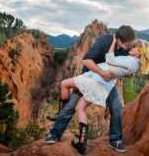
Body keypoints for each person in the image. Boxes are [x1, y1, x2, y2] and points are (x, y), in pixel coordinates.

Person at [46, 25, 136, 153]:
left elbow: (125, 69)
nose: (129, 48)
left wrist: (128, 73)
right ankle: (55, 134)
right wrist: (102, 73)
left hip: (108, 82)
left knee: (116, 106)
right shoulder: (104, 41)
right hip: (89, 78)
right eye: (128, 45)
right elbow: (87, 60)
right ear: (120, 41)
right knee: (71, 105)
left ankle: (115, 140)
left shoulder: (127, 49)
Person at [60, 37, 149, 154]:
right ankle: (82, 142)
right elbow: (123, 70)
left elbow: (109, 59)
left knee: (64, 84)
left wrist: (115, 42)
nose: (131, 47)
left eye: (134, 46)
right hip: (102, 84)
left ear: (140, 51)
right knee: (80, 108)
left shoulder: (130, 61)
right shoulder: (133, 63)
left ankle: (62, 112)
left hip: (95, 80)